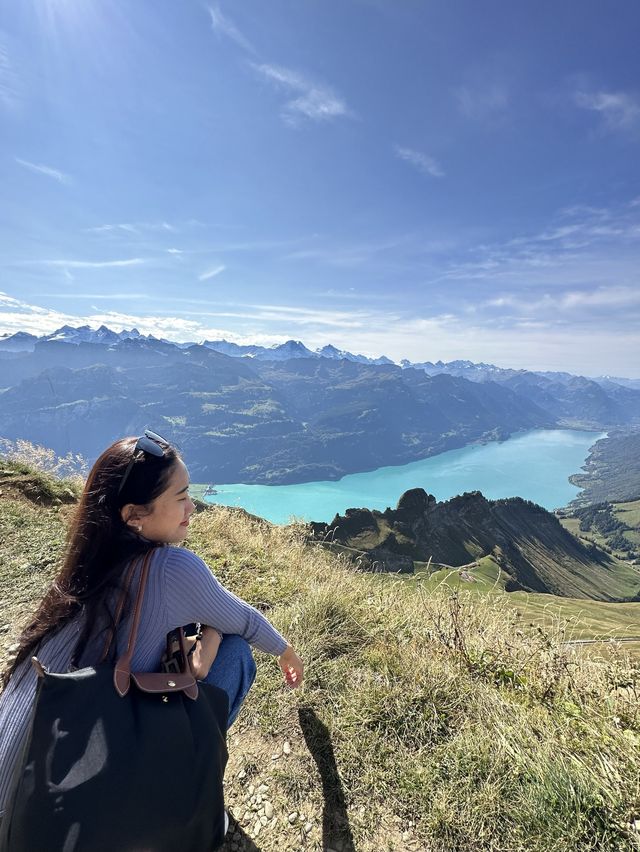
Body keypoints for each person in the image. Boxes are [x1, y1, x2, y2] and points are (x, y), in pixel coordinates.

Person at [0, 431, 304, 823]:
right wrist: (284, 650)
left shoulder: (83, 569)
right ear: (133, 516)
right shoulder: (172, 570)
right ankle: (186, 794)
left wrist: (206, 629)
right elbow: (241, 619)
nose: (191, 507)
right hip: (77, 820)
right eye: (180, 497)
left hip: (20, 802)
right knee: (236, 655)